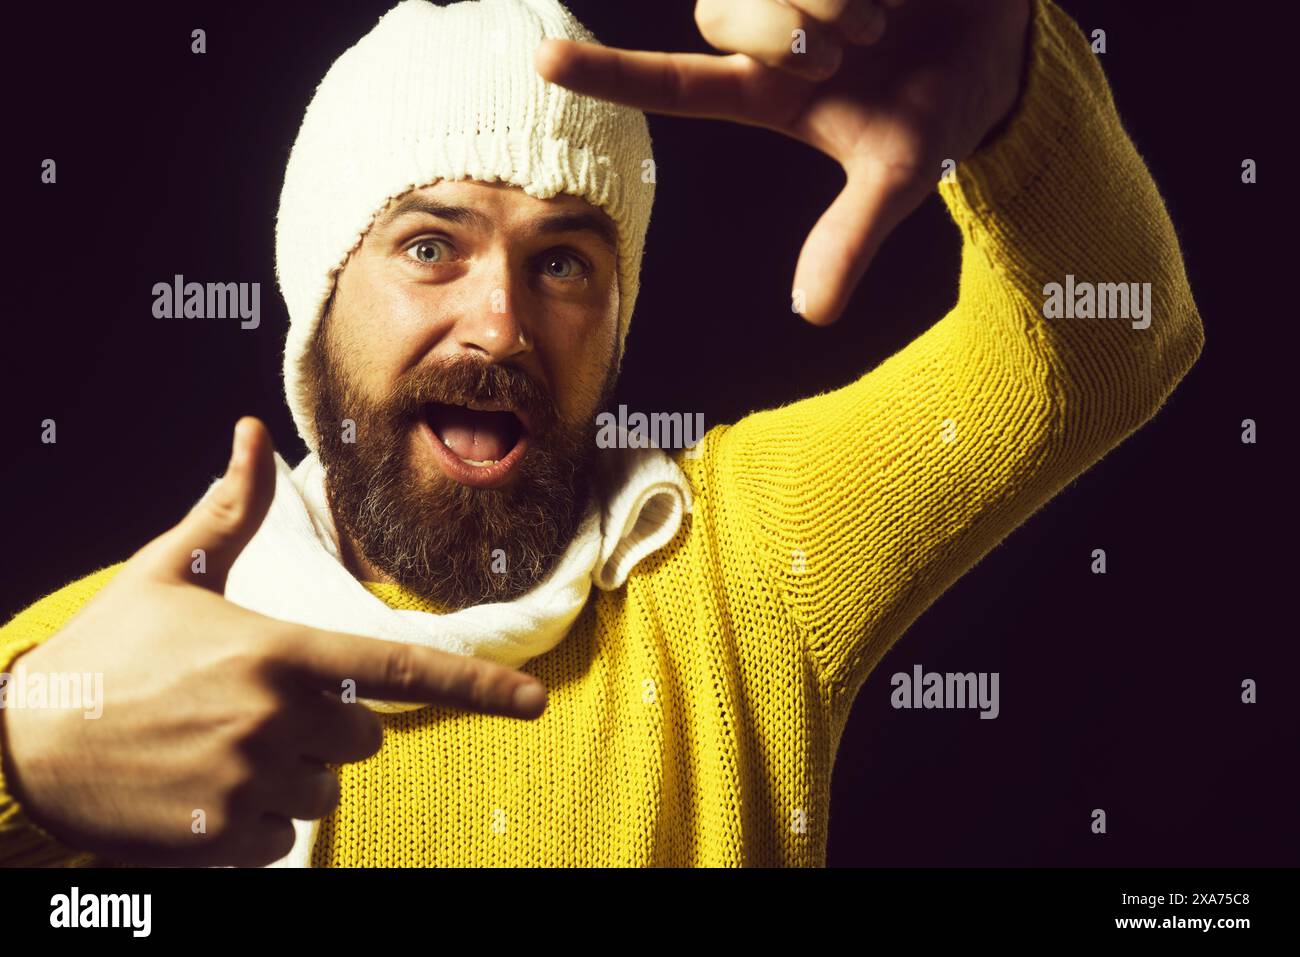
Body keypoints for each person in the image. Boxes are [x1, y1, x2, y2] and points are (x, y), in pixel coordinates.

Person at [0, 0, 1203, 867]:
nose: (501, 323)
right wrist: (23, 764)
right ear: (318, 297)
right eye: (431, 246)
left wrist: (1008, 92)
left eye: (565, 261)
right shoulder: (120, 656)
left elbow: (1112, 343)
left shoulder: (735, 563)